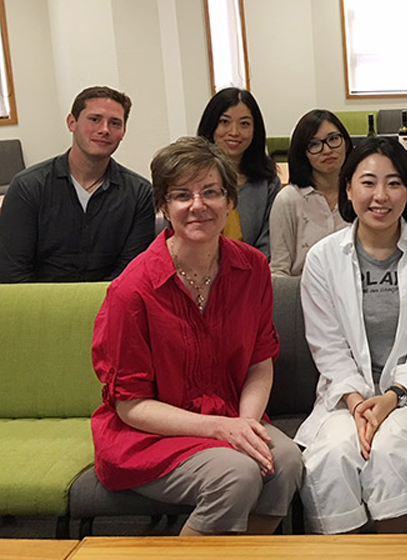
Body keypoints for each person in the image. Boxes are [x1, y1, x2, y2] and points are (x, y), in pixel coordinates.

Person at [91, 136, 302, 535]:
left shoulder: (253, 268)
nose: (198, 205)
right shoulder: (132, 290)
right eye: (182, 195)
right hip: (150, 435)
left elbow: (260, 362)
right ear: (164, 206)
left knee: (286, 462)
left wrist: (244, 423)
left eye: (210, 192)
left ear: (229, 200)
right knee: (237, 475)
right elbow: (130, 406)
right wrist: (222, 429)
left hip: (228, 417)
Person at [295, 136, 407, 534]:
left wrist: (393, 397)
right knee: (331, 454)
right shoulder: (323, 258)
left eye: (394, 183)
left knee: (391, 447)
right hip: (347, 394)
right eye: (368, 182)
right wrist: (357, 402)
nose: (380, 196)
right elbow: (328, 347)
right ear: (348, 189)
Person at [0, 85, 154, 282]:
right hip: (36, 298)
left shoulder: (140, 194)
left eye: (115, 123)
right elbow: (13, 273)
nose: (104, 130)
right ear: (72, 123)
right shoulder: (28, 187)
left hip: (110, 298)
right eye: (95, 119)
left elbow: (130, 272)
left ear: (123, 132)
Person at [197, 88, 281, 258]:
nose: (234, 132)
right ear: (211, 125)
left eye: (244, 124)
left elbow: (270, 240)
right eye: (224, 122)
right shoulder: (191, 178)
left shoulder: (268, 181)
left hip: (253, 268)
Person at [269, 110, 353, 276]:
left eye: (333, 139)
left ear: (346, 142)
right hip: (301, 288)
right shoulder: (288, 200)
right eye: (314, 144)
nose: (327, 150)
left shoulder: (361, 193)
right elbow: (279, 270)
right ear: (303, 153)